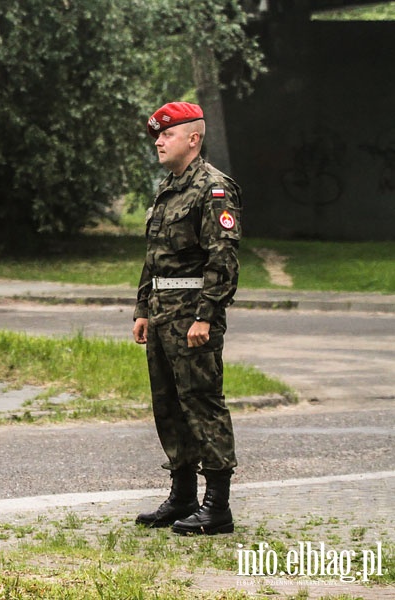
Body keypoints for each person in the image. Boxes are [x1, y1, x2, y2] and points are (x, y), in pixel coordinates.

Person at [132, 101, 242, 535]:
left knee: (202, 402)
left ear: (193, 139)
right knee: (169, 404)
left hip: (192, 316)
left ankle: (217, 506)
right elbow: (154, 257)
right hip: (162, 315)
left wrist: (206, 316)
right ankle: (182, 497)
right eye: (158, 135)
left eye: (168, 134)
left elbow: (224, 258)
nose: (159, 141)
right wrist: (142, 309)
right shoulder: (169, 188)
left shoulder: (213, 189)